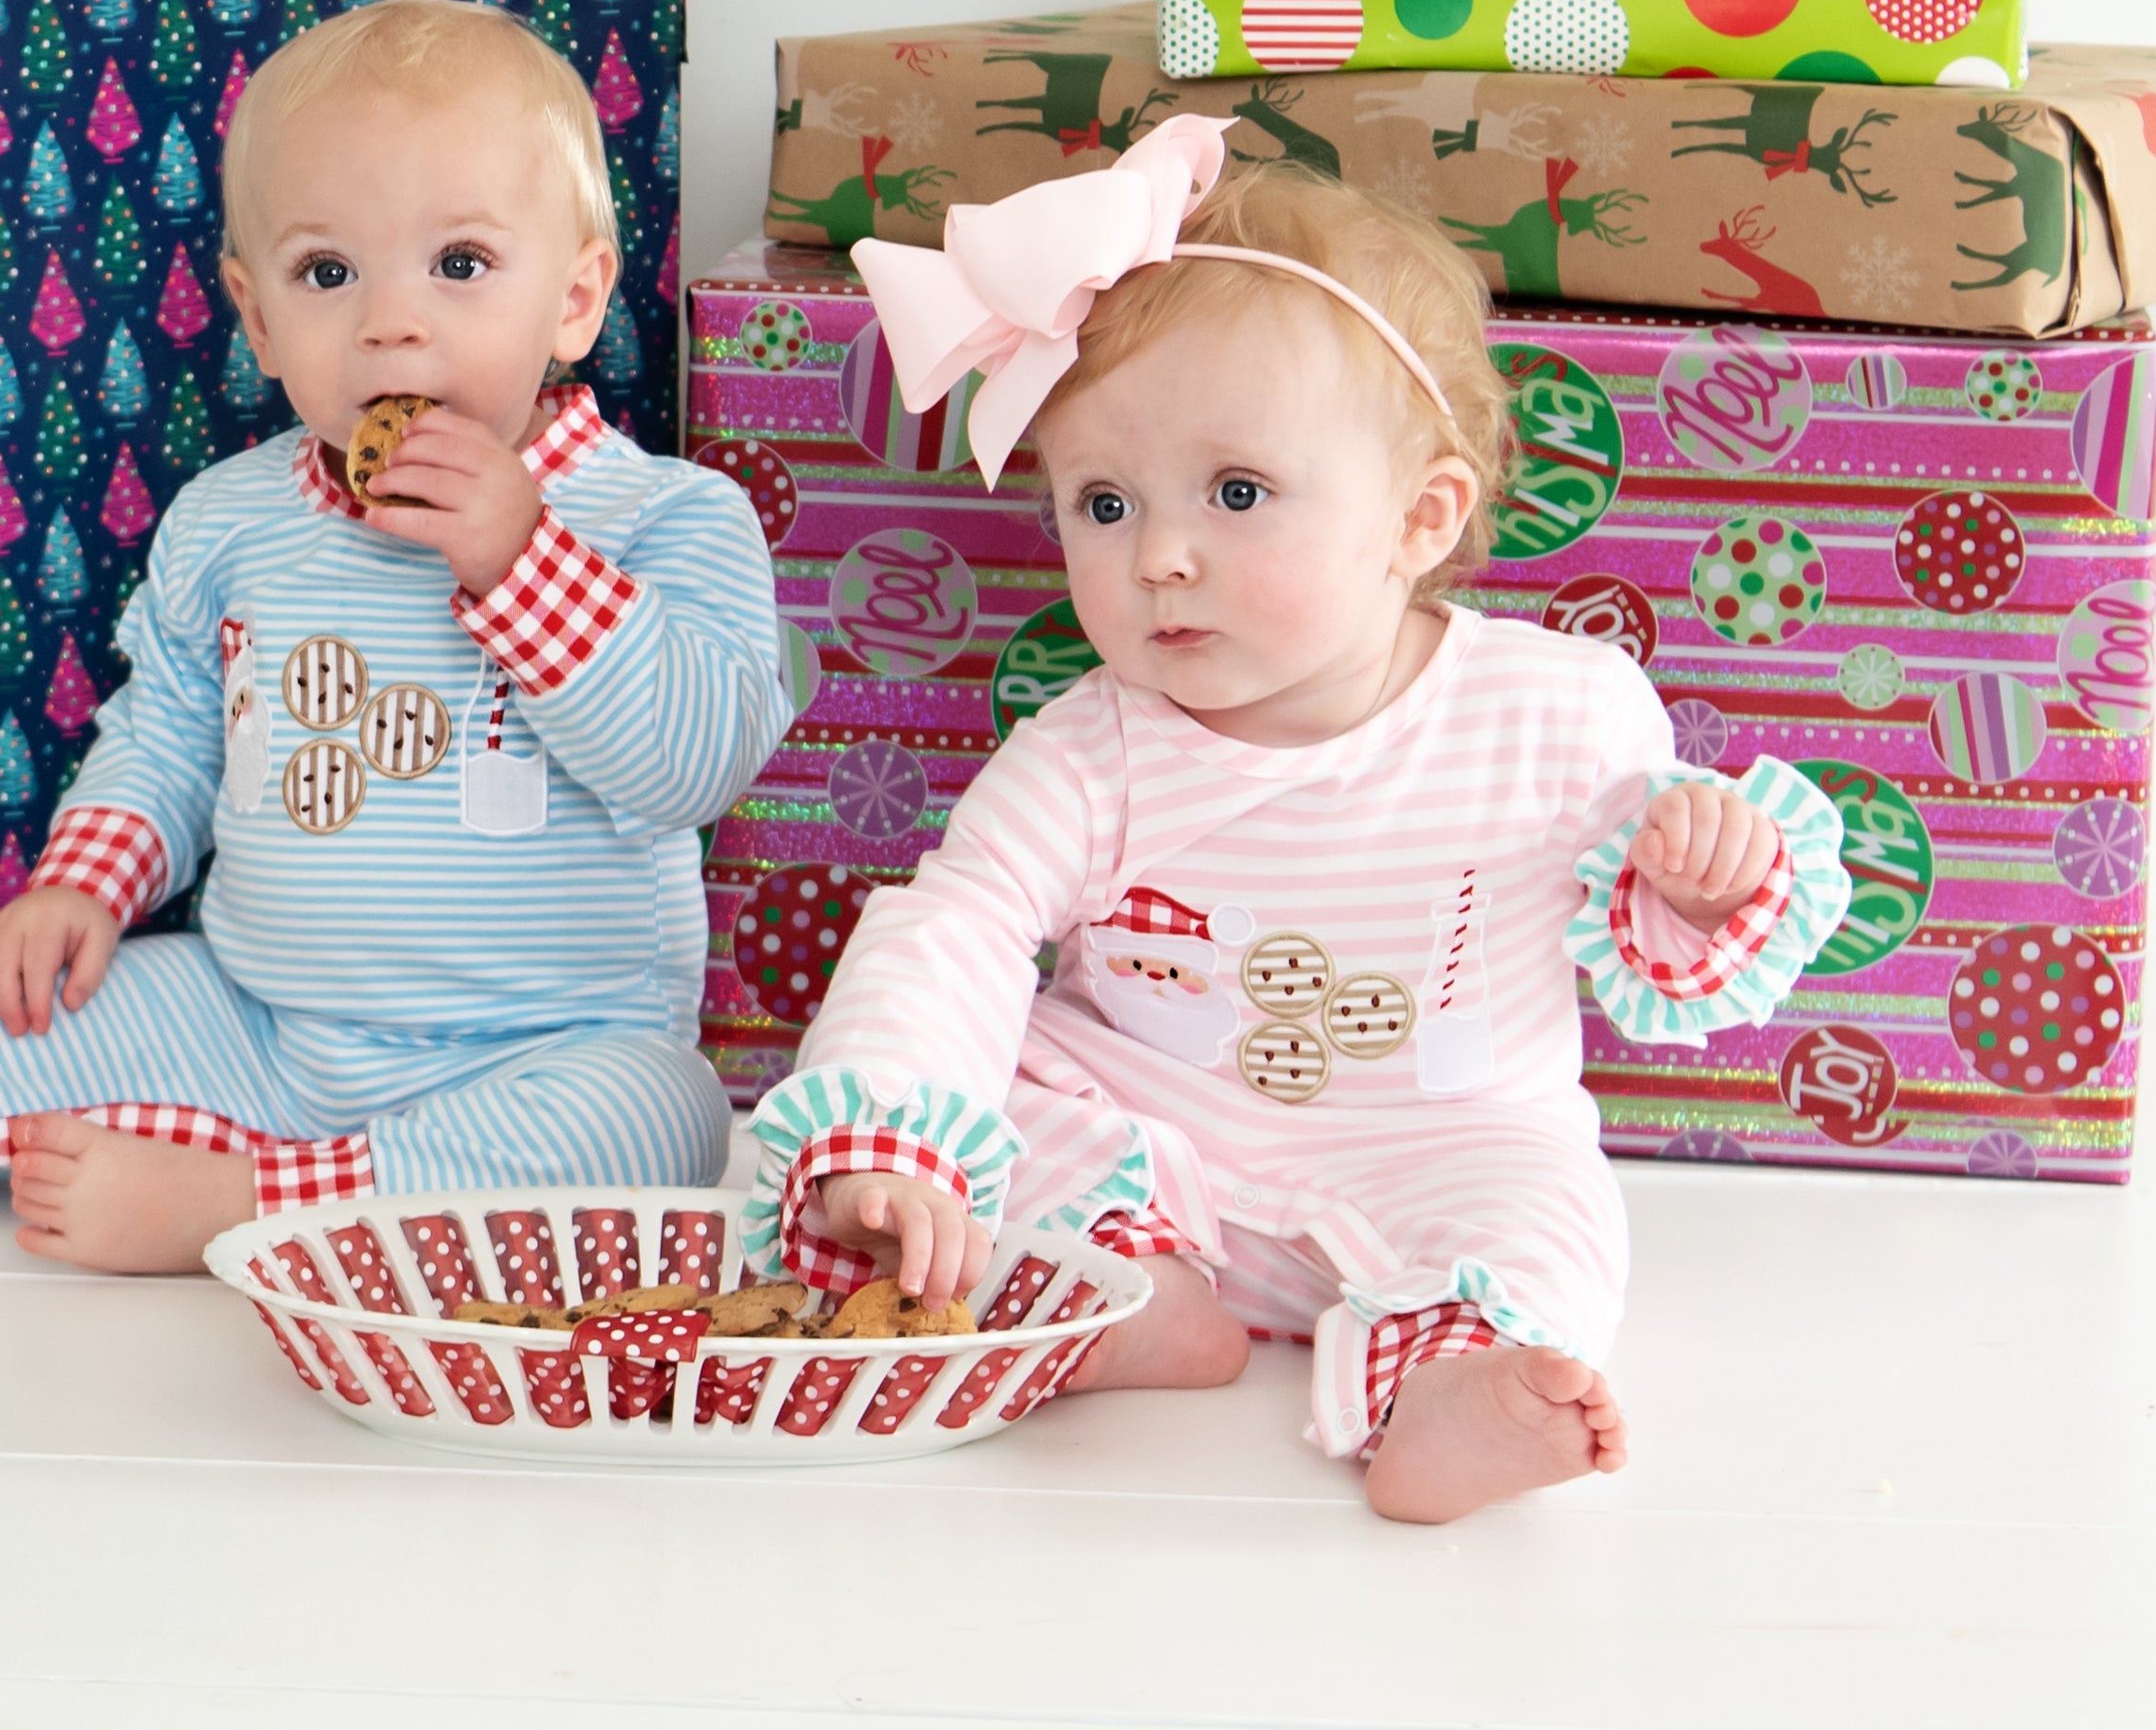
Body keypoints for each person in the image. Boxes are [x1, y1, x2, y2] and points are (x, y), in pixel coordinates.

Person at [0, 0, 789, 1272]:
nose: (392, 322)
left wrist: (522, 557)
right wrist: (84, 887)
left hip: (549, 1048)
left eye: (459, 265)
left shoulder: (665, 518)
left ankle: (247, 1200)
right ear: (258, 316)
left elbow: (692, 765)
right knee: (33, 1012)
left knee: (661, 1121)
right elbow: (165, 737)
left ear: (575, 299)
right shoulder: (233, 522)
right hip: (259, 1020)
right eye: (327, 273)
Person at [736, 116, 1848, 1521]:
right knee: (983, 1111)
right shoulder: (1094, 747)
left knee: (1553, 1213)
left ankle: (1453, 1383)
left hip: (1438, 1145)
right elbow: (956, 928)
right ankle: (1124, 1298)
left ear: (1417, 520)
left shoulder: (1556, 715)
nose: (1161, 554)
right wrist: (892, 1141)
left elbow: (1660, 936)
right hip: (1154, 1139)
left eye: (1238, 492)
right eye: (1103, 501)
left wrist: (1702, 881)